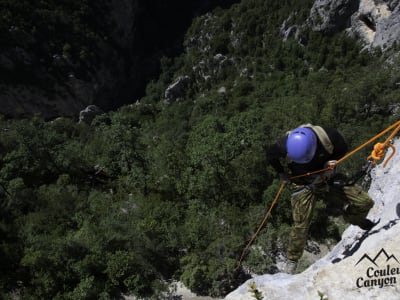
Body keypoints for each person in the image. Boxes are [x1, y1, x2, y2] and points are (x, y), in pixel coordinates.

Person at [266, 124, 375, 274]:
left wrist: (331, 163)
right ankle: (292, 260)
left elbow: (342, 150)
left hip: (327, 177)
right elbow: (270, 155)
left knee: (365, 202)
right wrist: (281, 172)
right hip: (303, 183)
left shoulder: (330, 137)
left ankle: (356, 219)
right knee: (301, 224)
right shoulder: (284, 144)